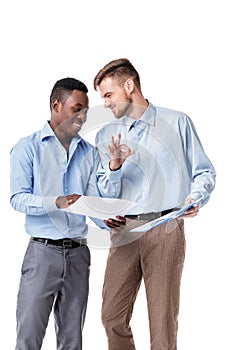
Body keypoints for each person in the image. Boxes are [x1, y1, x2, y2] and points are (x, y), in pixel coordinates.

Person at [94, 58, 216, 350]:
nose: (106, 103)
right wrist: (114, 166)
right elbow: (103, 191)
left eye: (109, 95)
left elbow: (204, 171)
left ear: (129, 85)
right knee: (111, 315)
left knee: (162, 322)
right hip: (124, 232)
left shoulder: (177, 122)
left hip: (166, 227)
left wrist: (194, 197)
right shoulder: (106, 135)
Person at [10, 78, 105, 350]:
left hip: (78, 256)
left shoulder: (89, 153)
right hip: (42, 255)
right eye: (77, 109)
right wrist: (58, 202)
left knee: (72, 341)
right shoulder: (28, 147)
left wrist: (112, 221)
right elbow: (17, 198)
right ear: (56, 105)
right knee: (29, 338)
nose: (83, 117)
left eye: (86, 111)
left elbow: (92, 203)